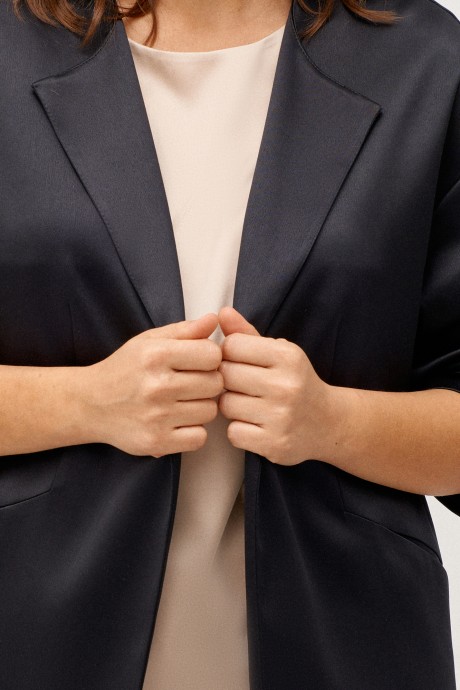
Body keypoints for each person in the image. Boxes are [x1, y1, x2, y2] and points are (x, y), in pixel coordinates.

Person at [0, 0, 460, 687]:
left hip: (343, 648)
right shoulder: (9, 49)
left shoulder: (422, 59)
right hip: (38, 642)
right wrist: (86, 402)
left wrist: (332, 422)